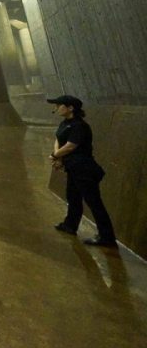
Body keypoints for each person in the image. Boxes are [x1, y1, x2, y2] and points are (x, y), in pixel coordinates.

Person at [48, 95, 117, 248]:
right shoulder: (66, 123)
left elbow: (71, 145)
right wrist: (57, 157)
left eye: (59, 105)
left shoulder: (79, 126)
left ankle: (107, 237)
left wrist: (55, 156)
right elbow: (58, 140)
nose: (57, 108)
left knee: (94, 202)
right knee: (72, 197)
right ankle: (70, 225)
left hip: (84, 169)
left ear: (70, 108)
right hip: (73, 168)